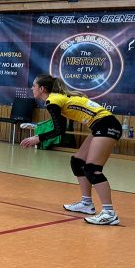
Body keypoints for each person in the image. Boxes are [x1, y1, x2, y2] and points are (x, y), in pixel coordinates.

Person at [20, 74, 123, 225]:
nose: (31, 88)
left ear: (42, 89)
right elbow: (58, 126)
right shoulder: (57, 99)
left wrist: (38, 138)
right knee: (77, 162)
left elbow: (59, 130)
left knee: (92, 168)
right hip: (101, 125)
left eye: (34, 86)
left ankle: (109, 213)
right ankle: (86, 203)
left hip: (106, 125)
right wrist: (37, 129)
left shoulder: (52, 100)